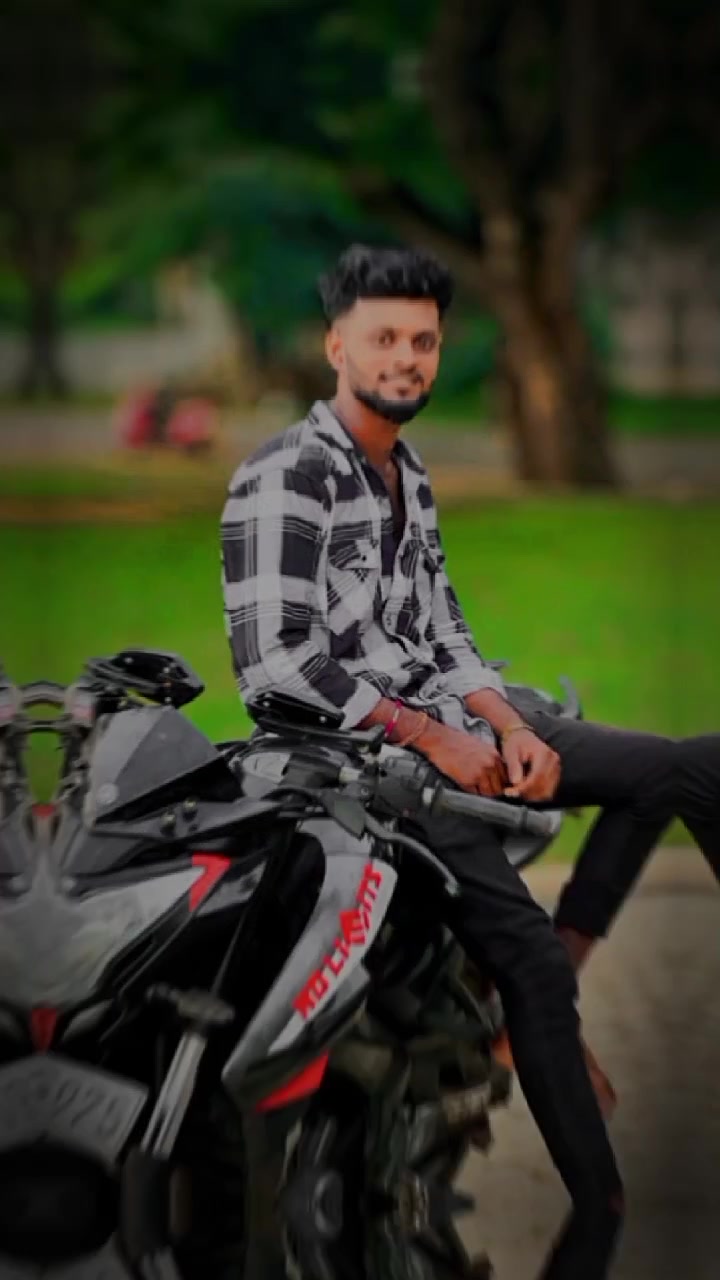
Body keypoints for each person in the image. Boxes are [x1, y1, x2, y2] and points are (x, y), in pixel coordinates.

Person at [221, 243, 720, 1279]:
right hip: (358, 772)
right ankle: (602, 1207)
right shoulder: (287, 474)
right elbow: (274, 665)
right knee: (524, 957)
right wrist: (430, 735)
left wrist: (507, 725)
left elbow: (444, 632)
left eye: (424, 341)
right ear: (336, 346)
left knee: (686, 768)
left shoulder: (407, 474)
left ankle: (544, 986)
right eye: (384, 339)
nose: (406, 358)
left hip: (450, 729)